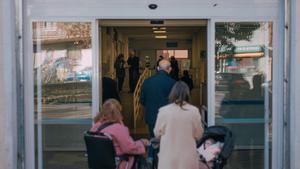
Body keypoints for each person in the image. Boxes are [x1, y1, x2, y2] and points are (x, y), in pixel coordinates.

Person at [154, 81, 204, 169]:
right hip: (188, 158)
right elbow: (199, 134)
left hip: (168, 157)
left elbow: (157, 133)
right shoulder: (194, 111)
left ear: (172, 93)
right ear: (187, 94)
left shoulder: (163, 111)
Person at [90, 99, 149, 169]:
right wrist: (141, 142)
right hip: (119, 163)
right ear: (118, 112)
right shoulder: (118, 128)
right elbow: (129, 148)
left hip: (100, 163)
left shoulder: (95, 127)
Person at [140, 59, 176, 162]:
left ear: (157, 68)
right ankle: (165, 160)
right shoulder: (173, 83)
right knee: (166, 138)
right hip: (167, 118)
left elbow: (142, 101)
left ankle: (151, 157)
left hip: (151, 116)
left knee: (153, 137)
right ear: (169, 69)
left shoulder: (147, 82)